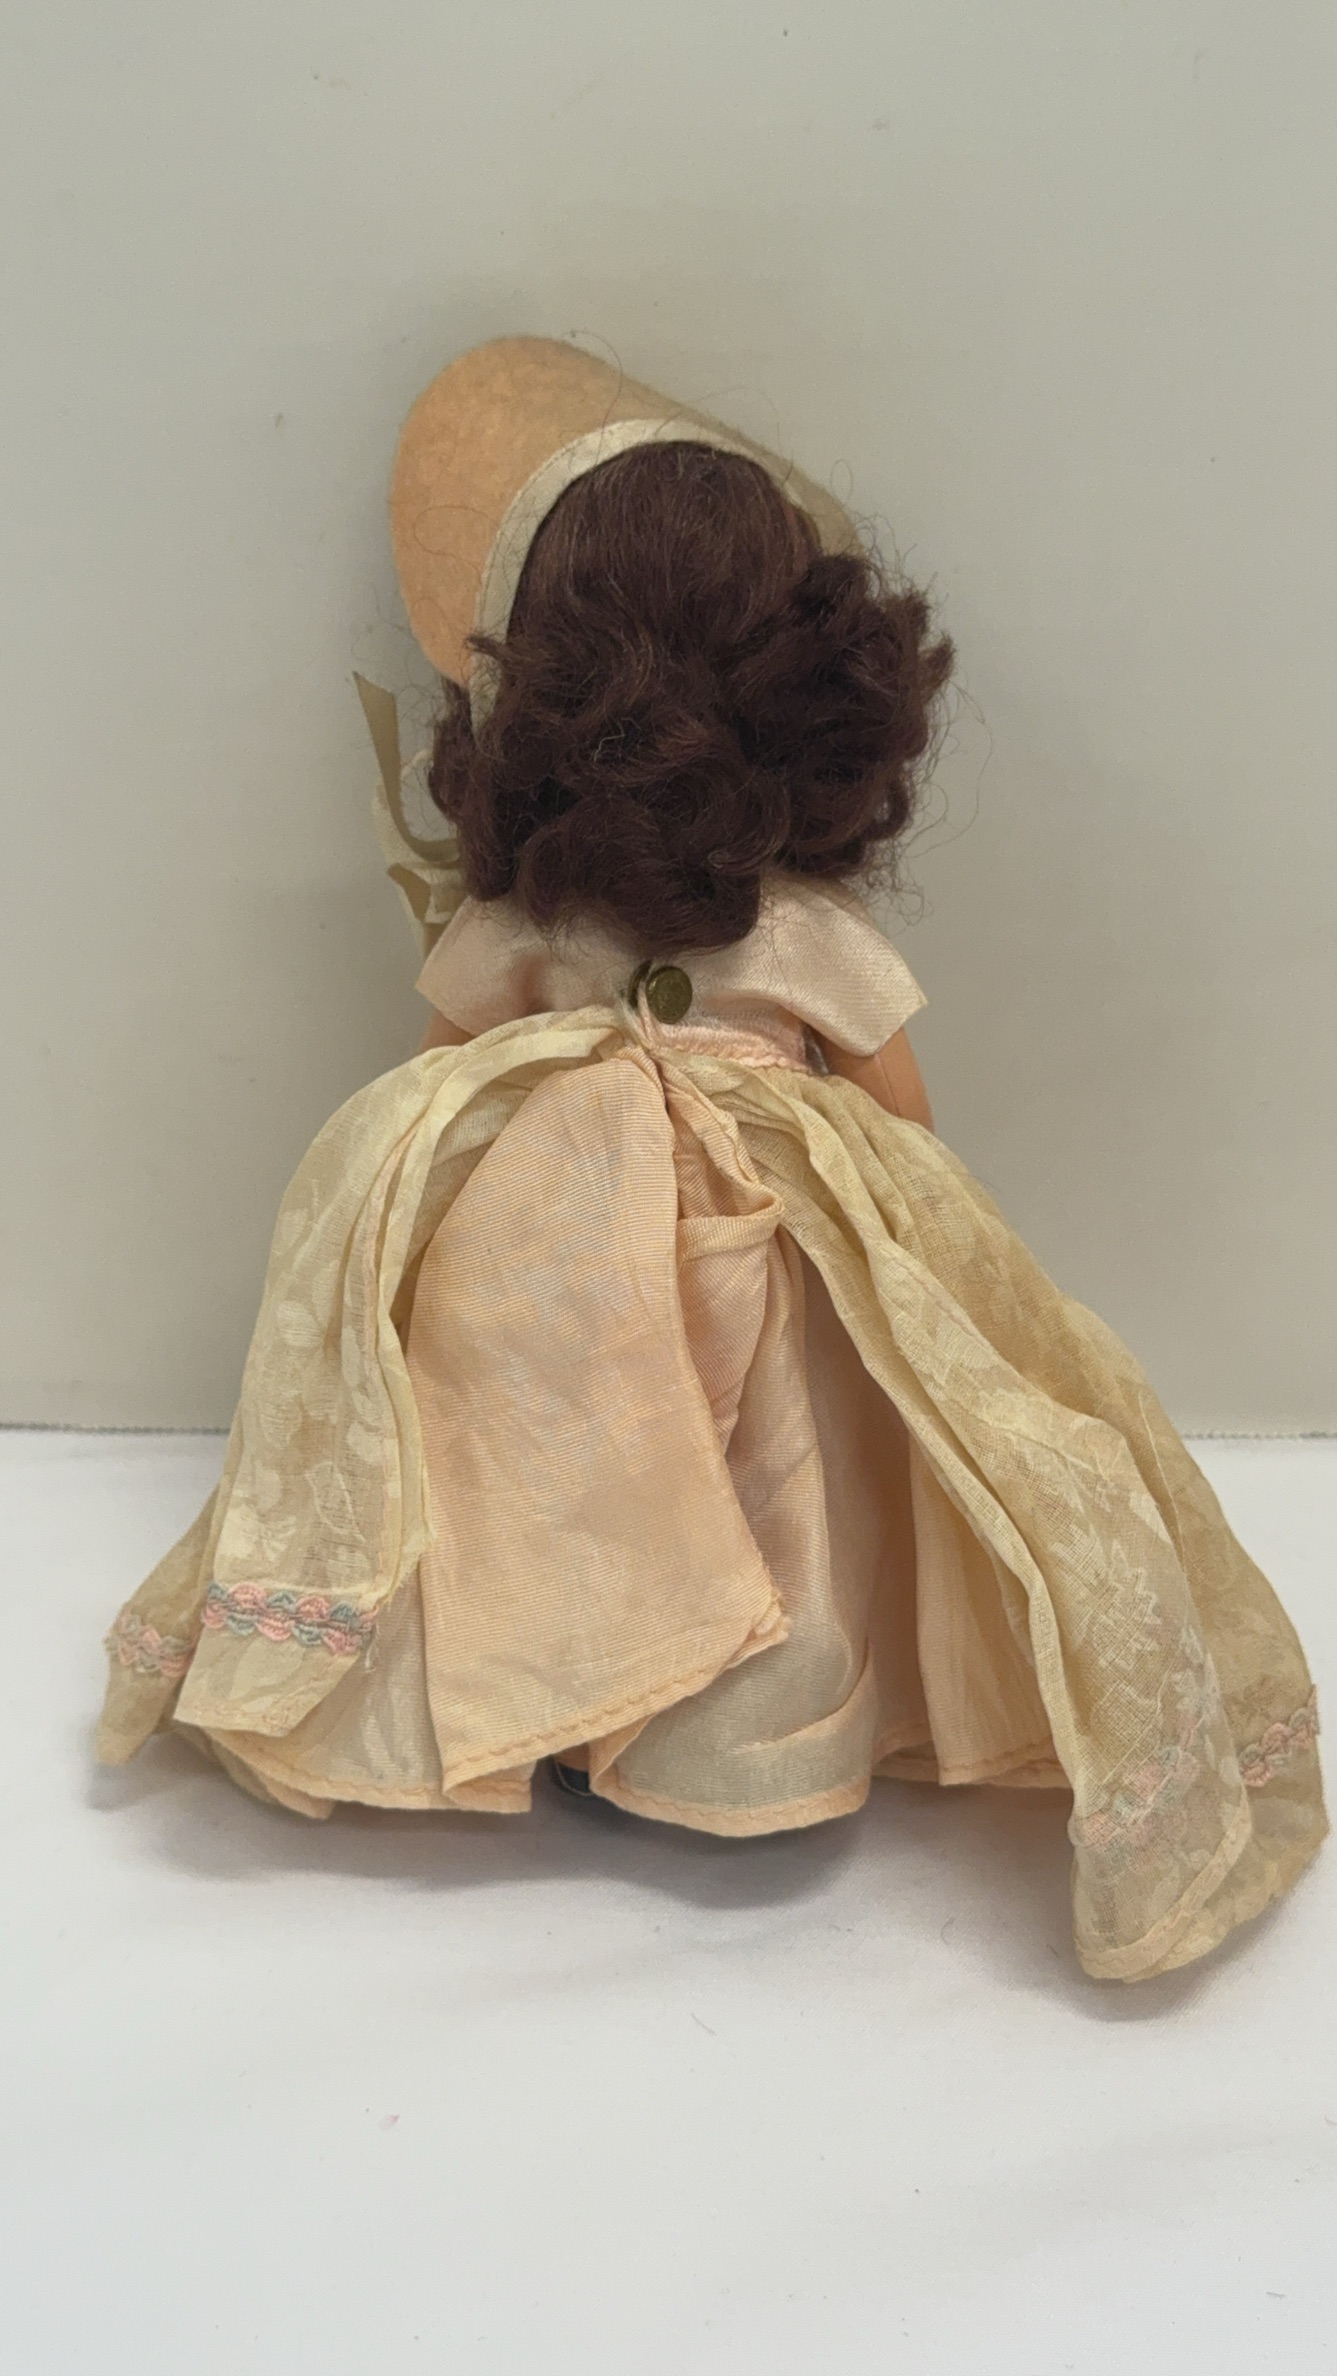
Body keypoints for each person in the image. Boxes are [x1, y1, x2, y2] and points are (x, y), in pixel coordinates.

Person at [97, 336, 1325, 1983]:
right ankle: (593, 1705)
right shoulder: (574, 923)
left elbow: (463, 1075)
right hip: (570, 1280)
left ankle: (721, 1738)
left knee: (718, 1477)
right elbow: (883, 1114)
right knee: (641, 1476)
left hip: (666, 1264)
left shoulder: (743, 930)